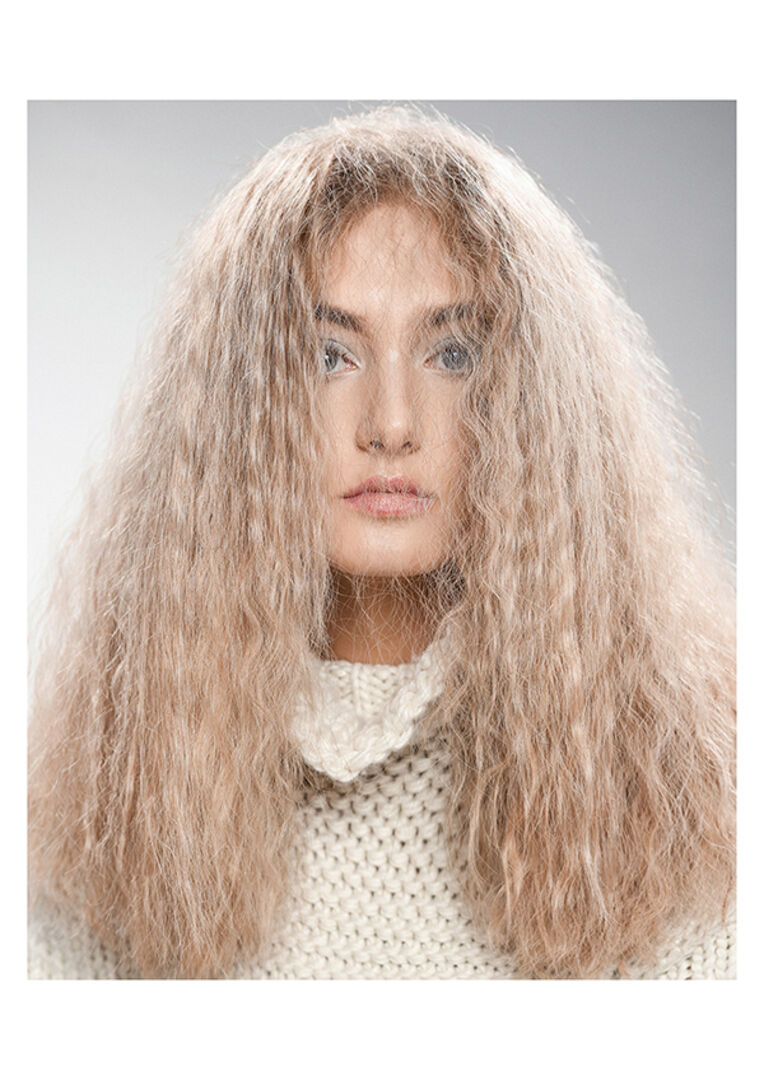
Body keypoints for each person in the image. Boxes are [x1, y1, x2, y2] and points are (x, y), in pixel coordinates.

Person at [28, 105, 736, 979]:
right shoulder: (101, 837)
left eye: (453, 354)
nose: (392, 424)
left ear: (534, 399)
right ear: (236, 409)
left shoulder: (695, 827)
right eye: (329, 356)